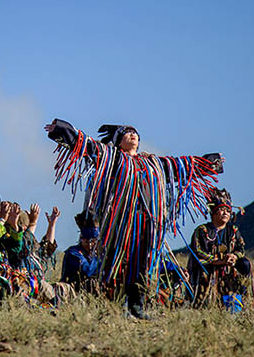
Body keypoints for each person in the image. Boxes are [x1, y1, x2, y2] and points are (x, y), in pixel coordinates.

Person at [45, 118, 224, 320]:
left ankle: (137, 306)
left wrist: (210, 163)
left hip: (146, 222)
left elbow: (182, 166)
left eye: (135, 133)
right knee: (117, 262)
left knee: (141, 263)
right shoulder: (112, 157)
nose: (133, 135)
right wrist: (62, 130)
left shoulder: (154, 163)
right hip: (119, 223)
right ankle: (114, 306)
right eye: (127, 133)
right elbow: (86, 145)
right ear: (119, 140)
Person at [186, 188, 252, 310]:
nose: (225, 213)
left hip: (228, 269)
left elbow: (241, 249)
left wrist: (234, 256)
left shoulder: (233, 230)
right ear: (213, 212)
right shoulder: (201, 231)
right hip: (207, 269)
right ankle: (201, 303)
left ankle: (240, 300)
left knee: (245, 264)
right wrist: (218, 260)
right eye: (222, 210)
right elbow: (198, 252)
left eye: (228, 210)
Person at [60, 212, 101, 293]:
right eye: (89, 241)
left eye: (94, 241)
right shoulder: (74, 253)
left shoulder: (93, 255)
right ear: (83, 239)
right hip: (71, 292)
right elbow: (88, 271)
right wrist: (100, 261)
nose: (91, 245)